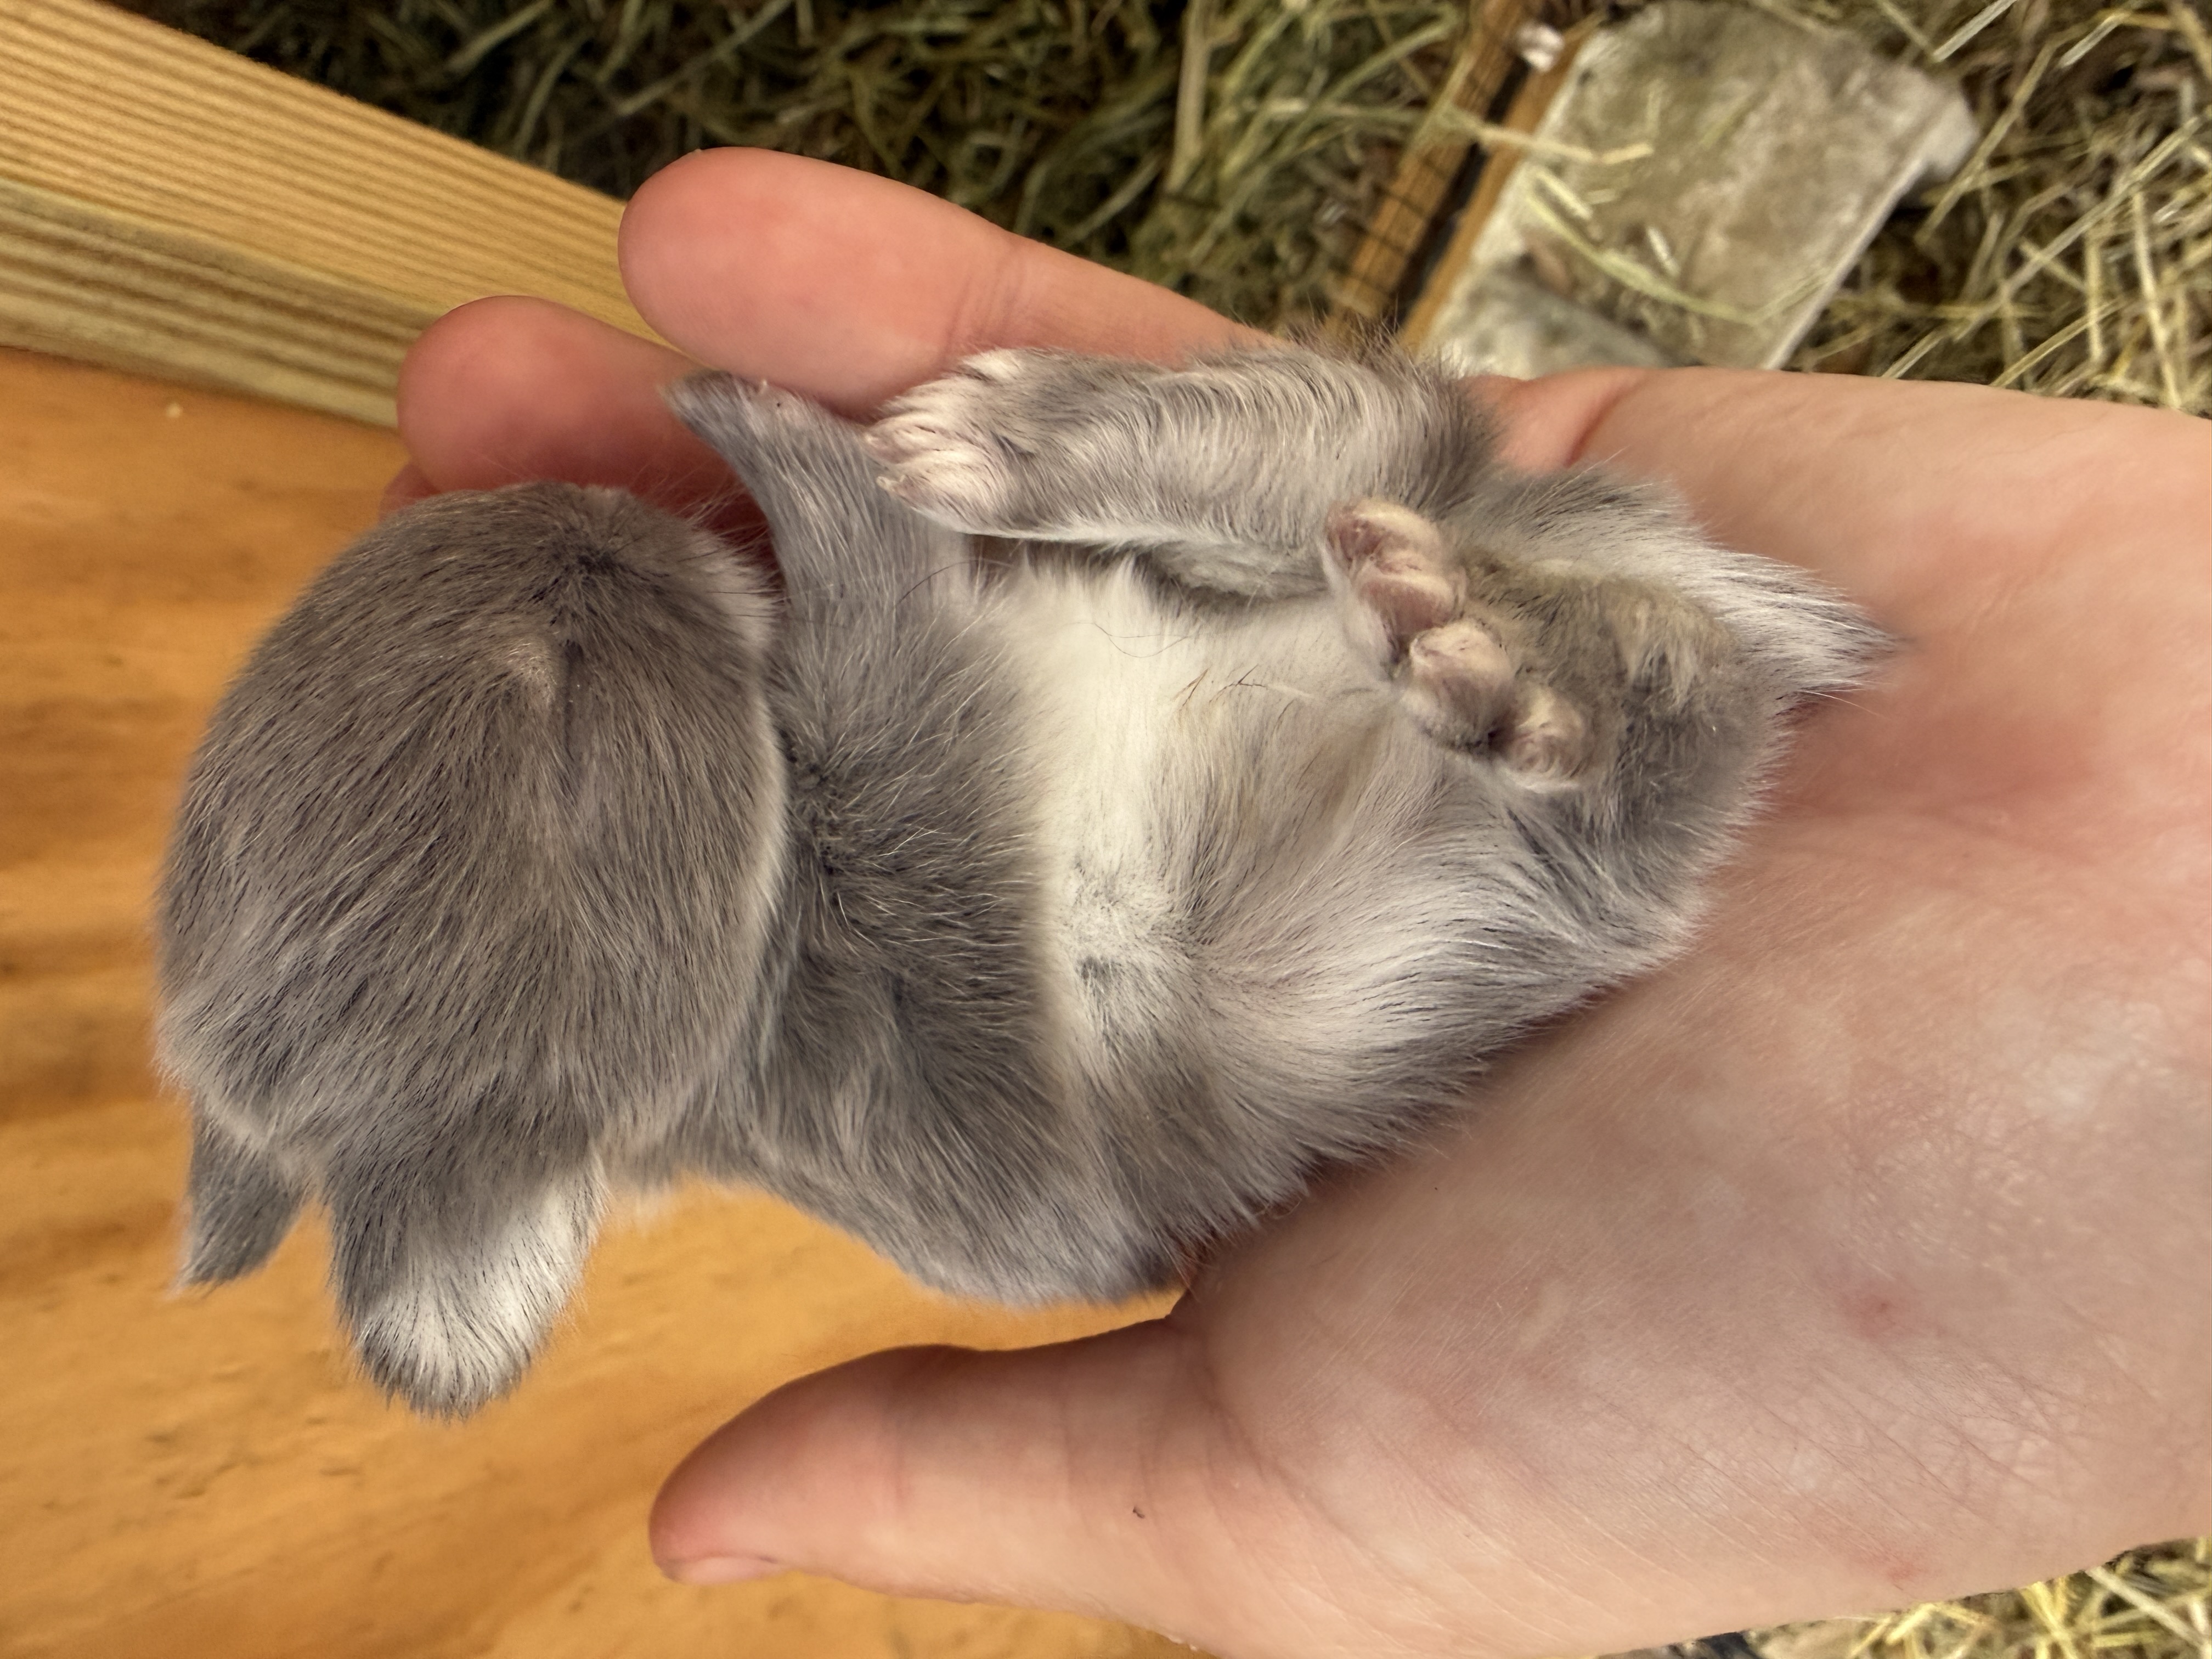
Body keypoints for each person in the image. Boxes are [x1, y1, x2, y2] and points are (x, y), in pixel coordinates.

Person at [388, 149, 2211, 1658]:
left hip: (1291, 635)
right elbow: (998, 1081)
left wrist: (1004, 489)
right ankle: (1609, 695)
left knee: (1371, 486)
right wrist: (849, 543)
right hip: (1246, 905)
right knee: (1348, 886)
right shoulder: (838, 1097)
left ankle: (1524, 640)